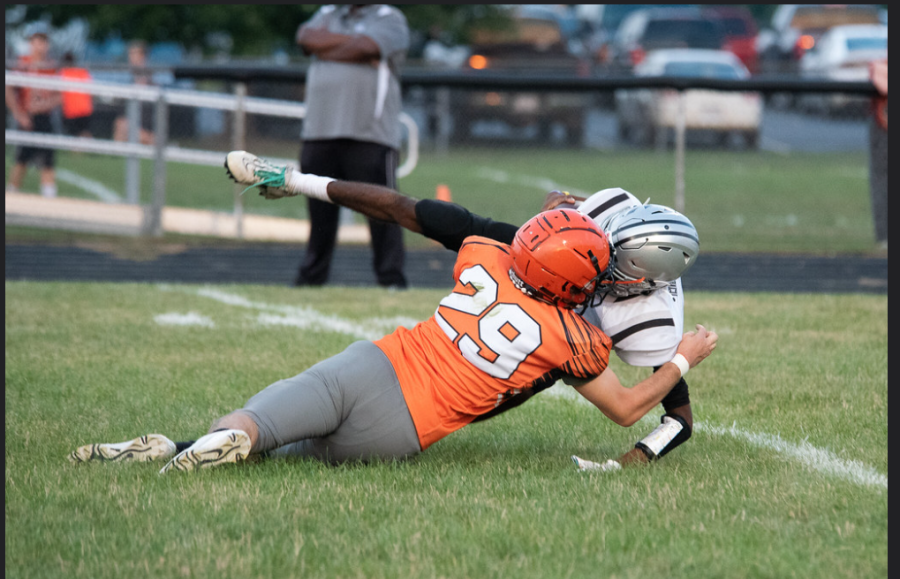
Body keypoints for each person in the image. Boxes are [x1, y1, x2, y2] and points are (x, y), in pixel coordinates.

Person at [70, 201, 718, 472]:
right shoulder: (571, 337)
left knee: (266, 421)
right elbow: (627, 409)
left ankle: (206, 439)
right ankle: (210, 446)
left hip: (373, 364)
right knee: (303, 456)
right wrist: (681, 360)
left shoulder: (485, 255)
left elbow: (515, 234)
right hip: (402, 431)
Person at [224, 151, 701, 471]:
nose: (601, 241)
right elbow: (673, 420)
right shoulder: (581, 244)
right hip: (530, 305)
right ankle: (295, 180)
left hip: (483, 351)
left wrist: (629, 461)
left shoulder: (641, 317)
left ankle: (232, 437)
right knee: (427, 215)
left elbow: (678, 418)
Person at [292, 4, 410, 289]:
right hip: (320, 129)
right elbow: (304, 38)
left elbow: (367, 47)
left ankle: (391, 279)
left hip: (369, 132)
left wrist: (328, 47)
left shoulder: (389, 18)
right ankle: (312, 277)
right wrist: (350, 46)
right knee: (319, 210)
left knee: (382, 208)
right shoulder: (328, 12)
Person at [5, 23, 60, 198]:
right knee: (21, 160)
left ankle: (49, 201)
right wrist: (19, 113)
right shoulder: (23, 64)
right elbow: (9, 89)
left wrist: (45, 105)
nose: (40, 45)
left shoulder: (52, 67)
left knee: (47, 162)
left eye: (43, 41)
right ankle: (11, 196)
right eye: (36, 41)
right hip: (27, 119)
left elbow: (60, 94)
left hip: (44, 117)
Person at [113, 40, 155, 146]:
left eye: (133, 53)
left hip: (147, 130)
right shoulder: (132, 78)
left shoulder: (148, 80)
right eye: (130, 54)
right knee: (120, 124)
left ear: (142, 56)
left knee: (122, 125)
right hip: (135, 126)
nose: (130, 57)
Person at [868, 59, 887, 249]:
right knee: (881, 178)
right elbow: (882, 84)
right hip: (882, 130)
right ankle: (884, 235)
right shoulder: (880, 67)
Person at [59, 51, 94, 139]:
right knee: (84, 133)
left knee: (75, 136)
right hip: (85, 109)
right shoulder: (83, 72)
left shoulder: (63, 74)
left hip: (71, 111)